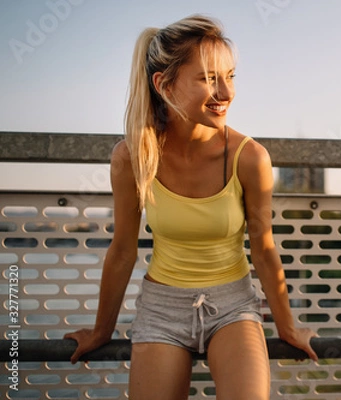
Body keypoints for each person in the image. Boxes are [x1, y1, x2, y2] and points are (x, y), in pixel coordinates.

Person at [64, 14, 318, 400]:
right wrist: (102, 331)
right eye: (208, 78)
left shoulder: (250, 158)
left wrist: (288, 328)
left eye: (230, 76)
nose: (226, 92)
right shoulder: (132, 157)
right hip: (162, 309)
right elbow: (122, 250)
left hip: (232, 306)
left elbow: (264, 249)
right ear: (164, 84)